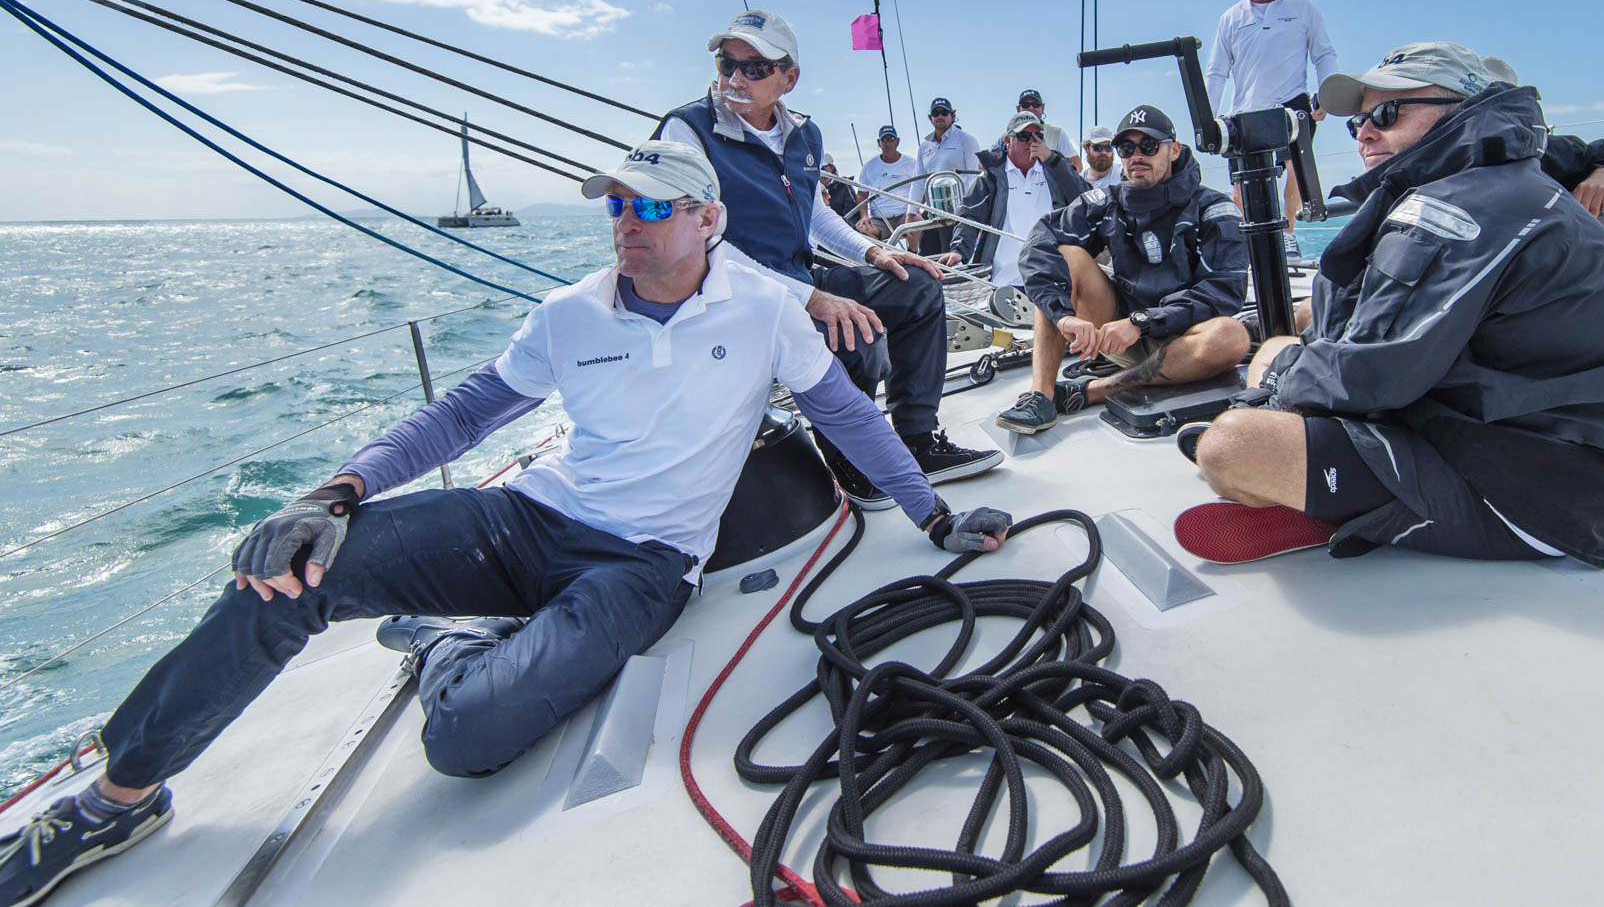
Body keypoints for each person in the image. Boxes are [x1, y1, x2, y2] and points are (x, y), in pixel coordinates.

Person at [0, 141, 1014, 907]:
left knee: (467, 737)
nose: (627, 220)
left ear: (707, 219)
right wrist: (332, 494)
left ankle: (448, 642)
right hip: (527, 519)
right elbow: (465, 413)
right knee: (288, 577)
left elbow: (840, 411)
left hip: (646, 565)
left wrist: (933, 517)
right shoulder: (570, 311)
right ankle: (117, 798)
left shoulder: (762, 308)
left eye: (651, 204)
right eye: (615, 204)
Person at [1184, 42, 1604, 567]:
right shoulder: (1499, 181)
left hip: (1526, 493)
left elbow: (1369, 375)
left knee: (1230, 447)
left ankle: (1359, 507)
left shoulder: (1457, 210)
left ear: (1463, 107)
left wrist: (1269, 402)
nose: (1365, 132)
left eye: (1386, 113)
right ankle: (1336, 487)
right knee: (1275, 348)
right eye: (1358, 122)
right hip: (1511, 435)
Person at [656, 10, 1001, 493]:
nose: (735, 78)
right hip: (726, 297)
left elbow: (815, 213)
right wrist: (811, 299)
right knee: (851, 331)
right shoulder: (688, 132)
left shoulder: (804, 136)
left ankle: (918, 442)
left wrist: (875, 253)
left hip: (796, 278)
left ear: (788, 78)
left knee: (919, 286)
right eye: (725, 64)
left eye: (754, 68)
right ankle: (852, 459)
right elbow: (697, 244)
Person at [994, 105, 1253, 434]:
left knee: (1231, 336)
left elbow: (1224, 292)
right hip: (1116, 335)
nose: (1136, 156)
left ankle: (1093, 390)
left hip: (1183, 340)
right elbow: (1040, 243)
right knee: (1063, 256)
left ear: (1174, 150)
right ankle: (1042, 396)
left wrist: (1142, 322)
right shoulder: (1108, 200)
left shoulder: (1213, 207)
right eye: (1127, 148)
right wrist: (1064, 316)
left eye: (1148, 146)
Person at [1205, 0, 1339, 253]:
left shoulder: (1304, 8)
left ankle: (1288, 237)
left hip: (1292, 102)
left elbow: (1324, 54)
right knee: (1241, 184)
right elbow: (1216, 72)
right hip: (1246, 111)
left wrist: (1327, 95)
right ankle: (1246, 245)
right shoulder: (1230, 18)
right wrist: (1207, 122)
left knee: (1295, 168)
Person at [939, 110, 1089, 287]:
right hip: (1003, 282)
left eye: (1038, 135)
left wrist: (1053, 161)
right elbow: (969, 216)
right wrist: (958, 251)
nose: (1033, 141)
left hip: (1054, 279)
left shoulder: (1056, 169)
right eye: (1024, 136)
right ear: (1008, 141)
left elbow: (1084, 198)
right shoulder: (990, 178)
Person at [915, 96, 979, 256]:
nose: (940, 116)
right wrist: (911, 212)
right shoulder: (924, 147)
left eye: (944, 112)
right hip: (931, 210)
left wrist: (969, 210)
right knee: (927, 255)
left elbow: (975, 177)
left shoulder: (967, 140)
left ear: (953, 116)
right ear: (930, 118)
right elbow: (918, 181)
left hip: (957, 209)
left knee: (948, 254)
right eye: (936, 113)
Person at [854, 125, 920, 247]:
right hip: (879, 220)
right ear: (879, 142)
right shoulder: (869, 166)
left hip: (904, 215)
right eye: (885, 140)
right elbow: (861, 195)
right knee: (862, 229)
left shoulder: (911, 163)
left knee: (917, 221)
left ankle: (914, 253)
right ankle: (883, 258)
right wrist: (864, 216)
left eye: (891, 139)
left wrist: (913, 210)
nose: (888, 144)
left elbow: (921, 189)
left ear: (897, 141)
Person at [1014, 89, 1081, 174]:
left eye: (1036, 105)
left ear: (1042, 108)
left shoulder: (1057, 133)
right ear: (1018, 109)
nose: (1031, 108)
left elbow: (1077, 165)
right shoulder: (1008, 135)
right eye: (1025, 105)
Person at [1081, 125, 1125, 190]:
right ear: (1086, 148)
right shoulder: (1078, 182)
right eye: (1097, 148)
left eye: (1108, 148)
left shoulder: (1124, 174)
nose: (1104, 152)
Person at [819, 153, 859, 221]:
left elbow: (853, 216)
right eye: (818, 169)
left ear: (831, 168)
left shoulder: (844, 186)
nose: (821, 172)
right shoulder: (811, 189)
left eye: (823, 168)